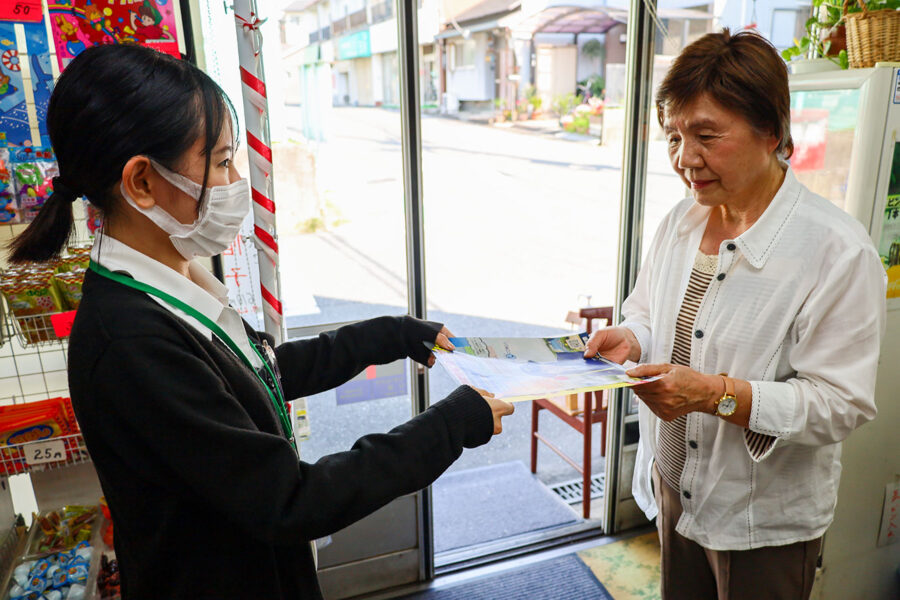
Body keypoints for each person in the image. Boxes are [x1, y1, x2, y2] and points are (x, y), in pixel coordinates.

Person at [6, 44, 514, 599]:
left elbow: (260, 370)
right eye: (221, 162)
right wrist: (451, 423)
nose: (234, 181)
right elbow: (291, 500)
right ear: (143, 182)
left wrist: (390, 334)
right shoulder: (129, 342)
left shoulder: (170, 279)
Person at [584, 29, 886, 600]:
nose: (684, 159)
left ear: (772, 132)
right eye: (673, 136)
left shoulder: (836, 251)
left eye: (705, 136)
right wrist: (630, 336)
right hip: (673, 485)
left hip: (760, 518)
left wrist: (715, 394)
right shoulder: (681, 221)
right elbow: (649, 313)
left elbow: (840, 403)